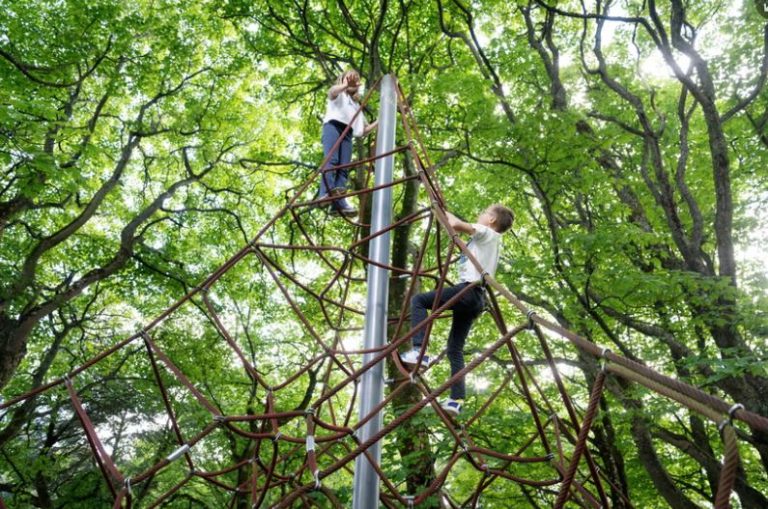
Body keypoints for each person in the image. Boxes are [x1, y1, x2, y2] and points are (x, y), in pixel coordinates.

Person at [401, 204, 515, 416]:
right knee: (455, 349)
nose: (479, 214)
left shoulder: (486, 232)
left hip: (467, 290)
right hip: (477, 299)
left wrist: (440, 209)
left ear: (491, 220)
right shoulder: (486, 242)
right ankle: (456, 400)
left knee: (418, 301)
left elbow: (455, 224)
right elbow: (458, 236)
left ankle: (419, 351)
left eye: (483, 212)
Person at [318, 69, 378, 217]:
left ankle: (338, 203)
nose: (353, 82)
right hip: (333, 126)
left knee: (344, 166)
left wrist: (380, 120)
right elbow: (331, 92)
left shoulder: (356, 106)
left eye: (356, 80)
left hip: (348, 133)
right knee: (332, 160)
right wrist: (344, 86)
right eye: (350, 79)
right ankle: (325, 192)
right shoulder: (340, 95)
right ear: (343, 80)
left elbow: (363, 130)